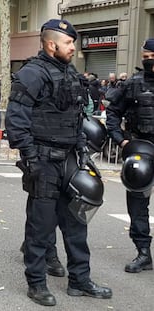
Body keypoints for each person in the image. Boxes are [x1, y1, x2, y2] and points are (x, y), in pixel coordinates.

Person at [5, 19, 112, 306]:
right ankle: (37, 283)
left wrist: (82, 153)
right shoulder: (31, 74)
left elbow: (78, 119)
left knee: (77, 224)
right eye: (69, 43)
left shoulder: (71, 74)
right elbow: (15, 121)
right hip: (43, 159)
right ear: (51, 44)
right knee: (41, 225)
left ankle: (80, 280)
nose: (74, 48)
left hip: (69, 160)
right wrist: (30, 157)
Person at [106, 38, 154, 273]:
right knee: (137, 203)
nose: (148, 61)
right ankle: (143, 253)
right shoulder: (132, 83)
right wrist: (121, 139)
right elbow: (113, 112)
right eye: (145, 57)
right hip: (141, 148)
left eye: (152, 57)